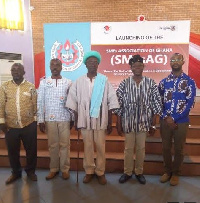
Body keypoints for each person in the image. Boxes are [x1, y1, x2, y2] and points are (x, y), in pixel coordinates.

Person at [66, 50, 119, 185]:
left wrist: (109, 121)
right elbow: (74, 101)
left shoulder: (104, 80)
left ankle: (100, 172)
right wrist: (77, 119)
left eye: (95, 62)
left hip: (101, 119)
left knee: (101, 147)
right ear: (85, 64)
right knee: (87, 146)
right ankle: (89, 171)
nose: (92, 64)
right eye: (90, 62)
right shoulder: (78, 81)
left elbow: (111, 100)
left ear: (98, 64)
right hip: (84, 120)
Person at [115, 54, 162, 185]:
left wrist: (153, 123)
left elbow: (155, 103)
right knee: (128, 149)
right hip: (128, 122)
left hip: (144, 122)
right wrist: (118, 123)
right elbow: (119, 104)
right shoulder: (125, 83)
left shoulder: (150, 83)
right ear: (131, 68)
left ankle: (139, 172)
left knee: (141, 148)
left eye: (140, 65)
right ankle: (127, 172)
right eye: (134, 66)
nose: (137, 68)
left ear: (143, 67)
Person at [158, 53, 196, 186]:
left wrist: (174, 118)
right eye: (172, 60)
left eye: (178, 59)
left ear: (183, 61)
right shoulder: (163, 82)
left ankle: (176, 173)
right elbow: (159, 102)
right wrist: (165, 117)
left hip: (181, 121)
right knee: (166, 148)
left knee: (179, 149)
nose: (175, 62)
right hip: (165, 120)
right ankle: (167, 172)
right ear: (169, 62)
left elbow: (190, 103)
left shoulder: (190, 82)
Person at [0, 63, 37, 185]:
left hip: (28, 124)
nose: (15, 72)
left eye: (18, 70)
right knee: (12, 151)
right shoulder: (4, 86)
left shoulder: (31, 87)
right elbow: (0, 104)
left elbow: (35, 104)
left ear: (23, 72)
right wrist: (1, 122)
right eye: (13, 70)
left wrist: (35, 120)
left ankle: (31, 171)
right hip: (10, 126)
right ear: (11, 72)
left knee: (31, 150)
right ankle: (16, 172)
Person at [37, 58, 73, 180]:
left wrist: (72, 117)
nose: (55, 67)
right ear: (49, 67)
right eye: (53, 65)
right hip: (50, 119)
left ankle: (65, 169)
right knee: (53, 145)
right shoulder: (44, 82)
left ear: (62, 67)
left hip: (65, 117)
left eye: (57, 65)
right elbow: (40, 101)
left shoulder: (68, 82)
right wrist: (41, 119)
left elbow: (72, 102)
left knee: (65, 145)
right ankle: (53, 169)